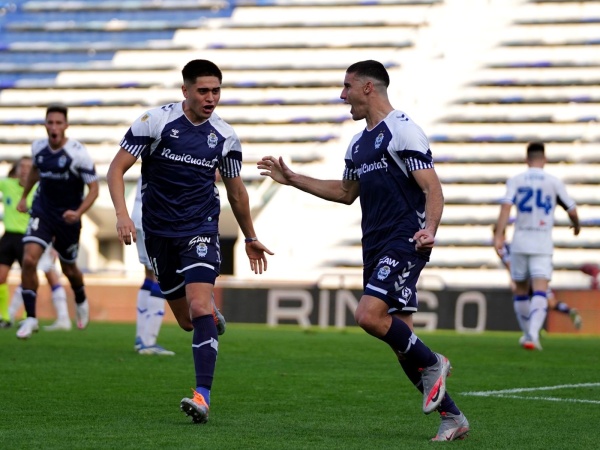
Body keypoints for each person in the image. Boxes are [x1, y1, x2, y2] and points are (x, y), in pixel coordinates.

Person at [257, 60, 469, 442]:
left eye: (347, 87)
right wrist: (292, 179)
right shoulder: (358, 143)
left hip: (404, 240)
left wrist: (430, 229)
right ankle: (452, 417)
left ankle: (435, 361)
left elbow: (433, 189)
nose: (343, 96)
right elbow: (344, 193)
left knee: (368, 315)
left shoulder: (403, 131)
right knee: (402, 345)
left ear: (368, 88)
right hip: (373, 246)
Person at [107, 59, 273, 424]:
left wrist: (250, 236)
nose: (211, 98)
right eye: (203, 91)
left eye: (216, 91)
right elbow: (116, 168)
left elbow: (236, 191)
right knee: (187, 320)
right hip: (158, 233)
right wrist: (121, 214)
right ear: (185, 90)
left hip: (200, 229)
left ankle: (203, 395)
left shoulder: (225, 136)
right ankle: (210, 316)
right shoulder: (155, 122)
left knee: (198, 307)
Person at [15, 105, 99, 339]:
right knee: (29, 258)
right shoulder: (38, 148)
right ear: (45, 125)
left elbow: (94, 189)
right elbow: (35, 170)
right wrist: (24, 197)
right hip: (42, 212)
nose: (54, 127)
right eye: (50, 122)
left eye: (58, 123)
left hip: (68, 219)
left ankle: (80, 299)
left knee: (69, 269)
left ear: (66, 126)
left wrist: (78, 212)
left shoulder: (78, 153)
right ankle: (31, 318)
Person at [494, 142, 580, 351]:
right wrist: (576, 226)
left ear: (527, 159)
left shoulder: (516, 180)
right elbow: (571, 209)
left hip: (520, 241)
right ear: (545, 159)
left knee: (521, 290)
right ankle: (533, 334)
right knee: (540, 290)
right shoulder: (553, 182)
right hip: (542, 242)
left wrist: (499, 234)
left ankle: (527, 334)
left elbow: (506, 207)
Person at [130, 177, 225, 356]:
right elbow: (211, 174)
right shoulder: (180, 151)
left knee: (149, 275)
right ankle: (148, 341)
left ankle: (141, 338)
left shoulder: (152, 149)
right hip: (158, 219)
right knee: (162, 276)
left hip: (139, 213)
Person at [0, 157, 70, 330]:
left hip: (32, 237)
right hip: (8, 236)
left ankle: (27, 315)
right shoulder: (7, 184)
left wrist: (53, 242)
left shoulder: (41, 189)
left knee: (32, 275)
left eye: (28, 167)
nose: (24, 170)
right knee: (1, 277)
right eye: (21, 166)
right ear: (15, 169)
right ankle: (5, 315)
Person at [493, 225, 582, 338]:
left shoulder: (503, 248)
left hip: (527, 277)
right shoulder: (511, 246)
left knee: (525, 300)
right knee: (551, 303)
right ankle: (568, 312)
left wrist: (513, 280)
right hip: (538, 273)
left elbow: (510, 264)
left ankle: (532, 331)